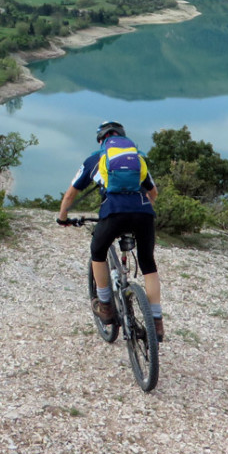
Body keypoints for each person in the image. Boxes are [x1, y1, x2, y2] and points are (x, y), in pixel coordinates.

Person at [57, 120, 164, 342]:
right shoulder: (138, 159)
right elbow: (153, 193)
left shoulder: (95, 160)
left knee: (97, 251)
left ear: (101, 141)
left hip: (114, 213)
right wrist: (143, 208)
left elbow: (70, 195)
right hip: (143, 214)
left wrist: (63, 218)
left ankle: (105, 305)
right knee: (147, 263)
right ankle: (156, 321)